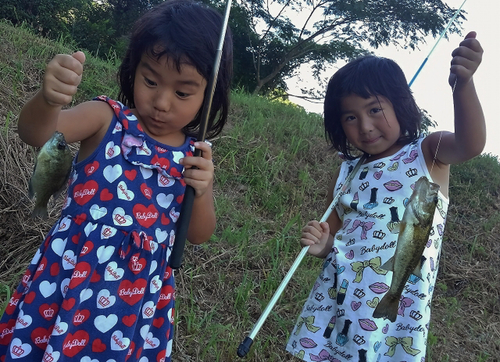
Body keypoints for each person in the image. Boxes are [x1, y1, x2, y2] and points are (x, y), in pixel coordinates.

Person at [0, 0, 232, 360]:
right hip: (68, 279)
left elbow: (198, 235)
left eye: (183, 92)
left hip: (135, 304)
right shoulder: (106, 118)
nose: (161, 101)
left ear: (209, 95)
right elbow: (36, 134)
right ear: (132, 70)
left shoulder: (194, 156)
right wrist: (48, 101)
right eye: (150, 80)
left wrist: (202, 191)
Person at [286, 31, 484, 362]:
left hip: (398, 306)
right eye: (350, 117)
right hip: (338, 296)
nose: (365, 125)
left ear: (400, 103)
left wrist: (463, 85)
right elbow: (331, 233)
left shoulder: (427, 152)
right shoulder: (347, 171)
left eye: (375, 109)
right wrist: (321, 246)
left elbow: (470, 143)